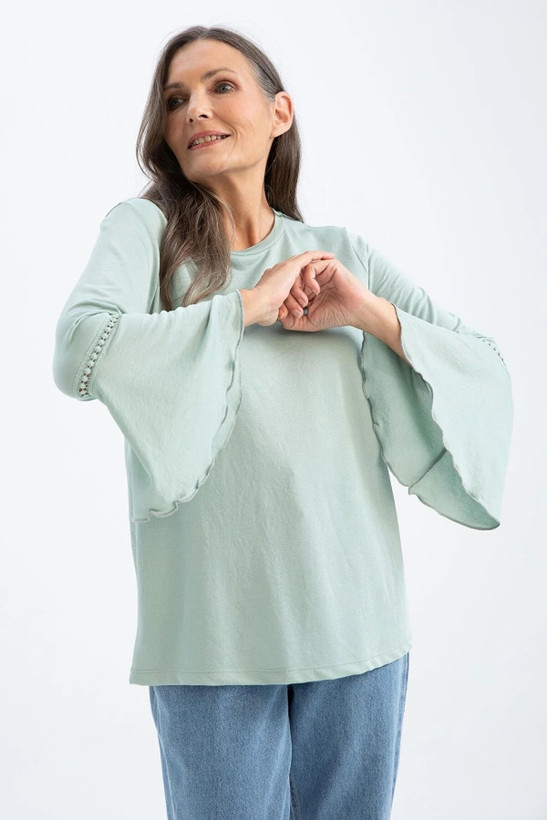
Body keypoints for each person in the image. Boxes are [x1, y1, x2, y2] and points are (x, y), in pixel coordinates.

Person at [52, 24, 514, 820]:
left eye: (220, 86)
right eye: (175, 99)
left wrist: (366, 313)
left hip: (357, 628)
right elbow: (78, 349)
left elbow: (483, 367)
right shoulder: (143, 234)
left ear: (280, 112)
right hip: (213, 638)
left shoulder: (338, 255)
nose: (194, 109)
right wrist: (245, 308)